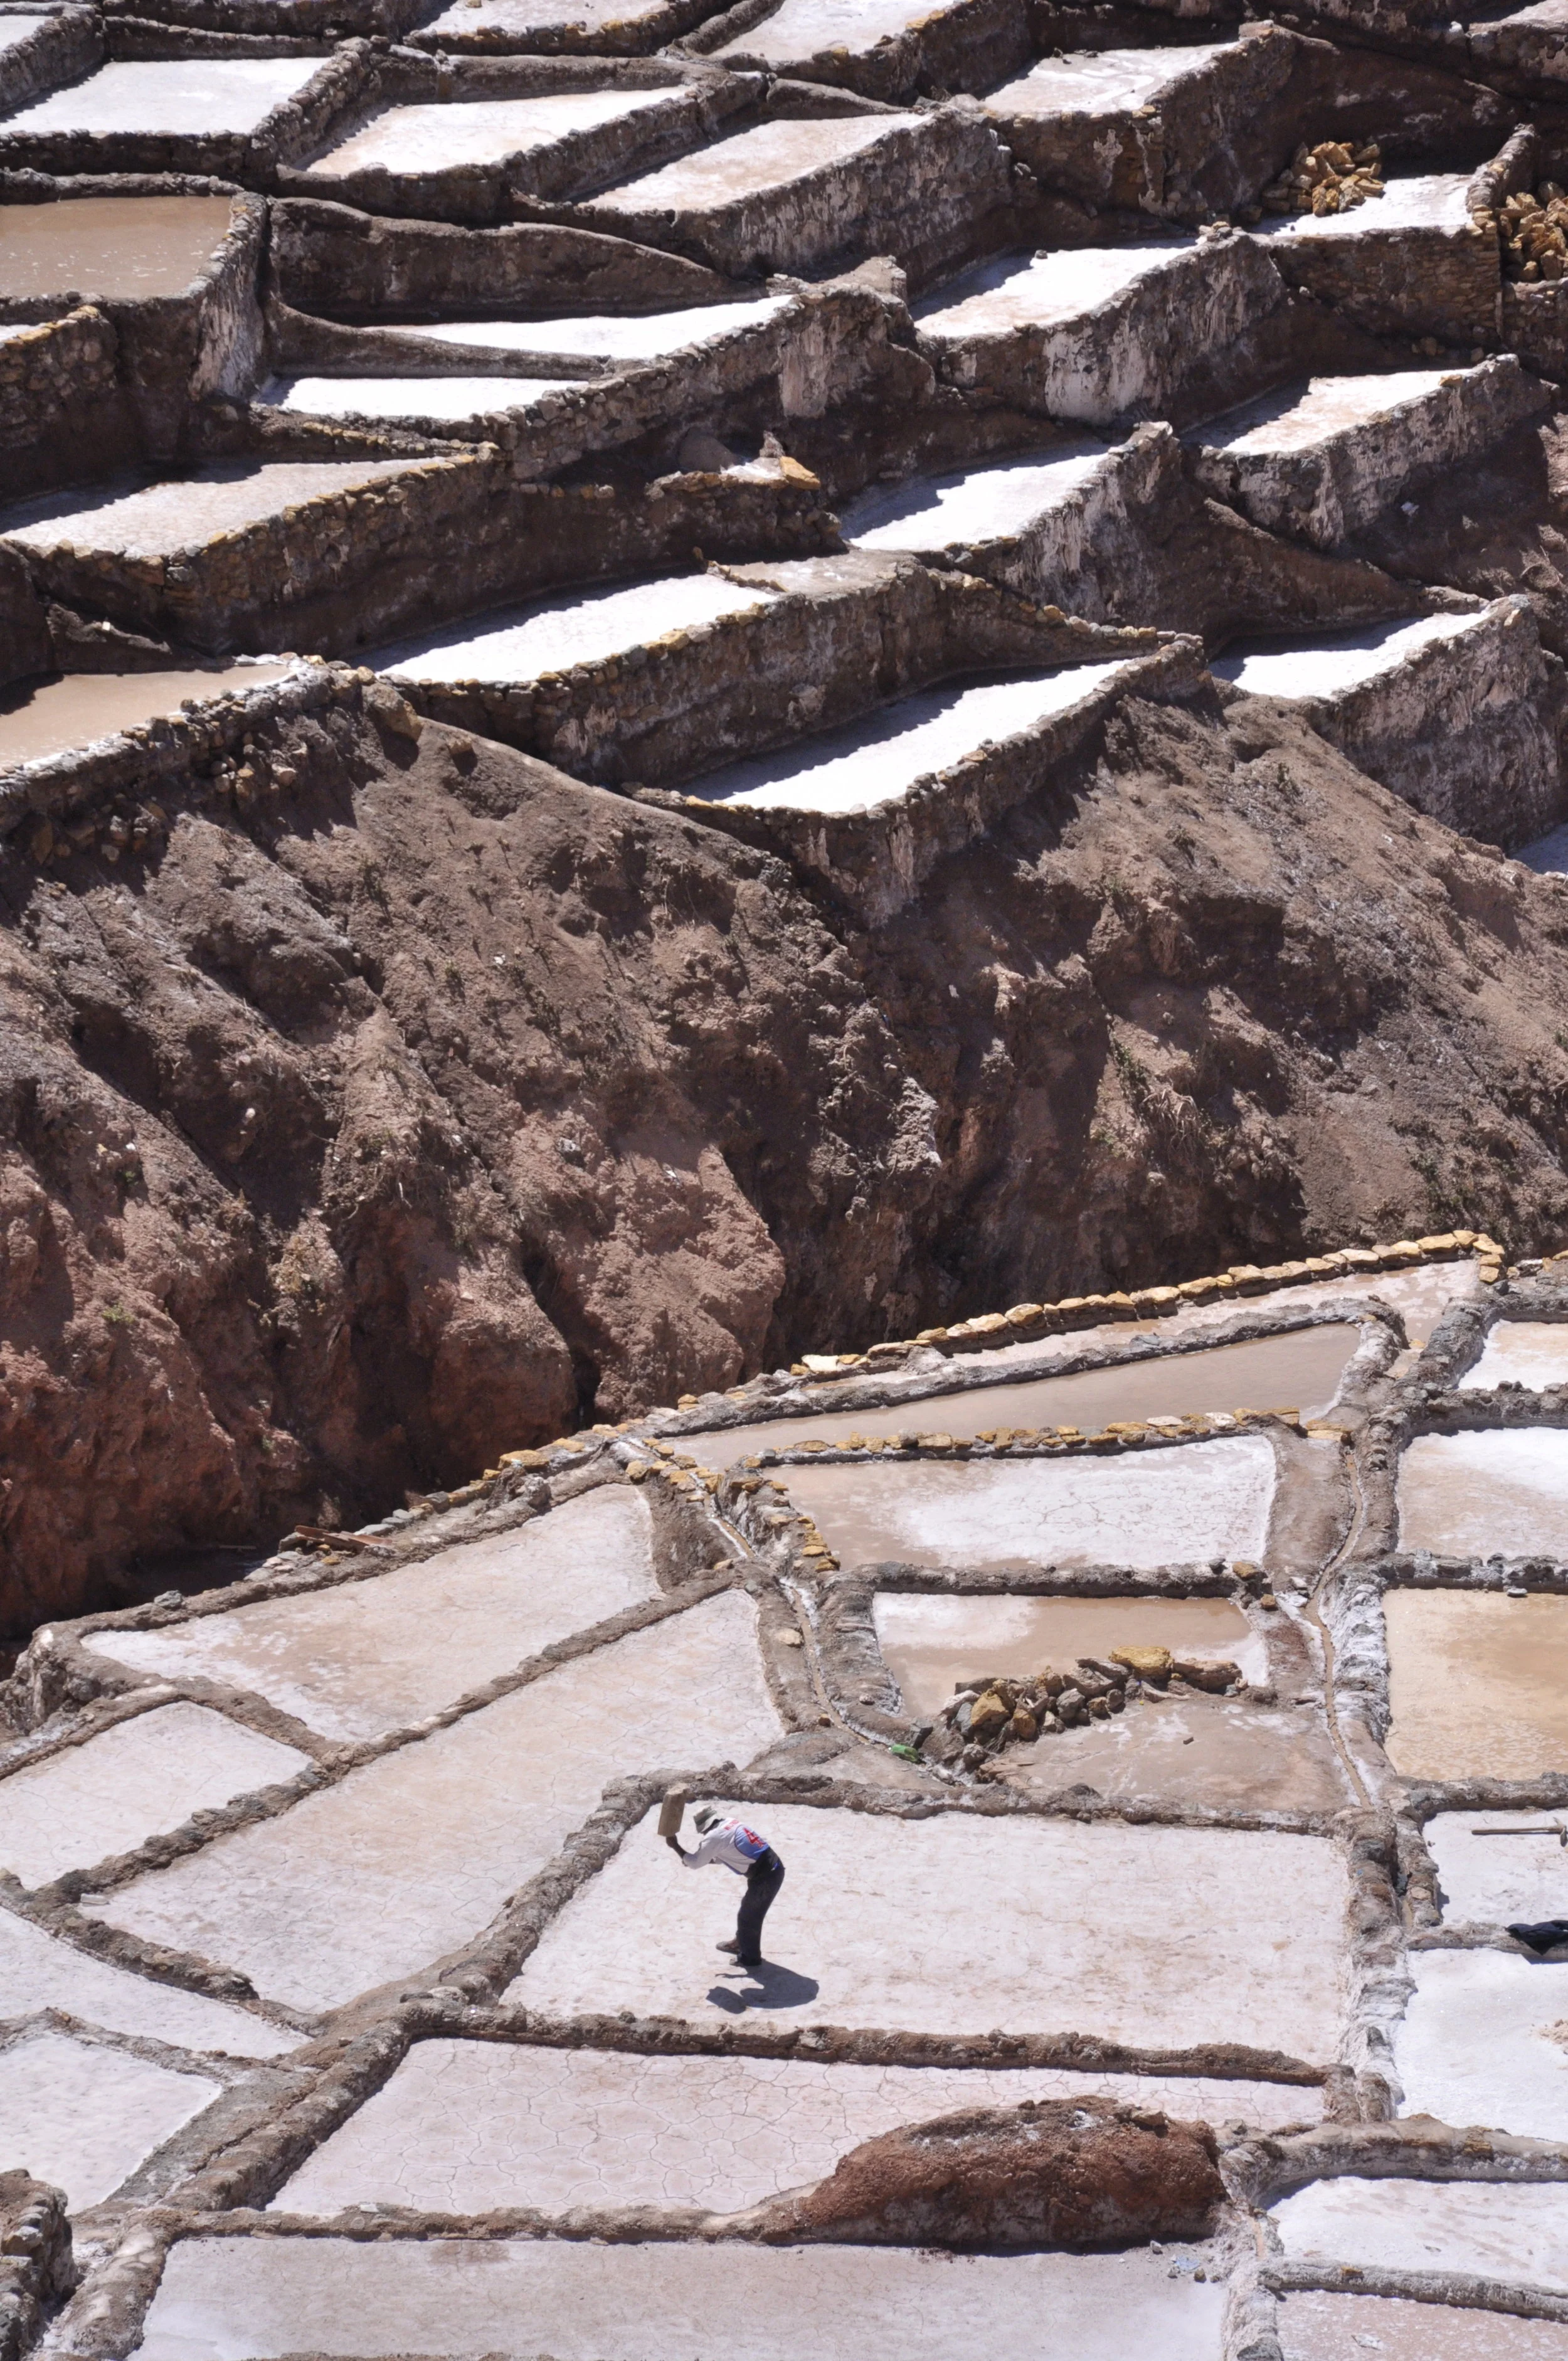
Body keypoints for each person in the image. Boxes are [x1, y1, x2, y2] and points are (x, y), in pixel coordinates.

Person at [665, 1805, 784, 1969]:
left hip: (766, 1877)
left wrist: (675, 1846)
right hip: (772, 1868)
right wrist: (701, 1859)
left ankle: (750, 1958)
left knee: (748, 1916)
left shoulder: (713, 1837)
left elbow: (694, 1863)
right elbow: (726, 1854)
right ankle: (739, 1942)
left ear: (703, 1828)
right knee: (748, 1909)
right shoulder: (731, 1823)